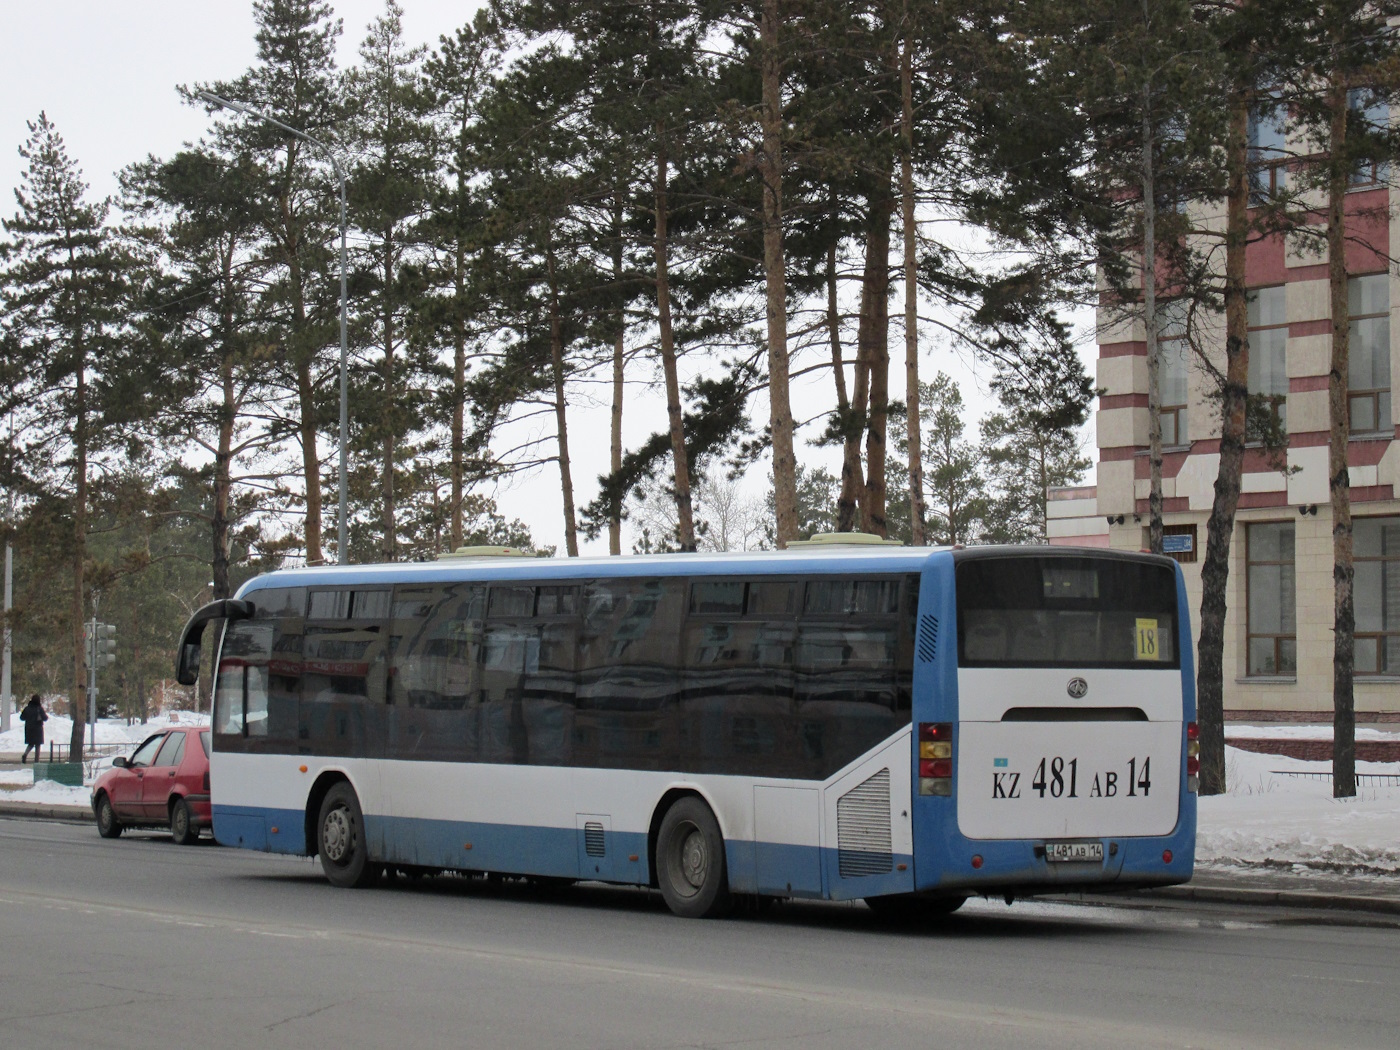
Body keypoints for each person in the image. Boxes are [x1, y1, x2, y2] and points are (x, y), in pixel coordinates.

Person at [20, 694, 47, 763]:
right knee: (38, 745)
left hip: (29, 728)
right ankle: (36, 760)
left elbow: (22, 718)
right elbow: (45, 718)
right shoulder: (39, 708)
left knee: (31, 743)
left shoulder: (27, 708)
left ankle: (25, 754)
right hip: (38, 728)